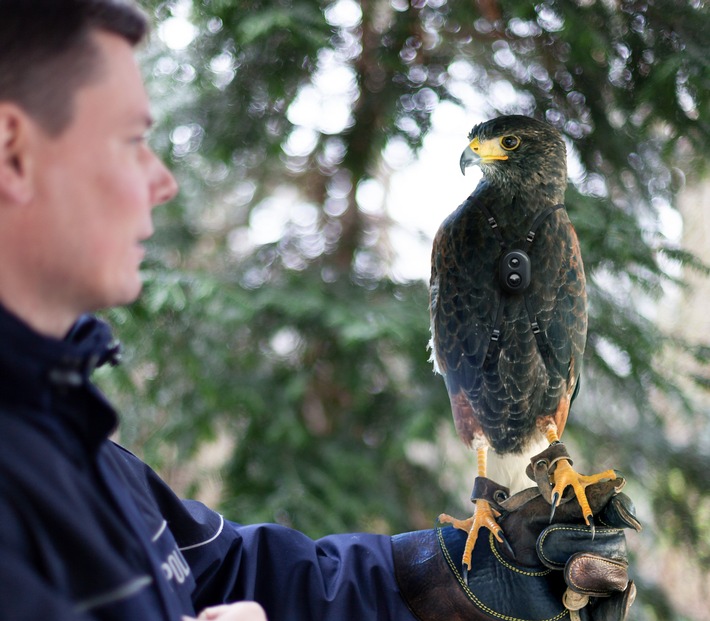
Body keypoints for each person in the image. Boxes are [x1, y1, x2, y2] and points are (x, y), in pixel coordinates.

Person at [0, 1, 638, 620]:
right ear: (13, 150)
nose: (161, 181)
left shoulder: (77, 450)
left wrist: (446, 580)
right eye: (132, 140)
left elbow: (231, 573)